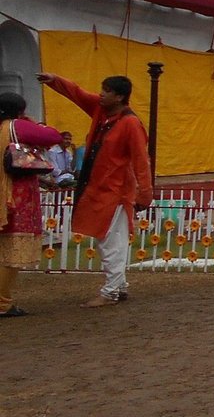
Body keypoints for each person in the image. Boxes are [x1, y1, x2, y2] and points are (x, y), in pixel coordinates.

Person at [37, 73, 154, 308]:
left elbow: (142, 161)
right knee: (110, 240)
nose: (101, 94)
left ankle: (111, 291)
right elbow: (78, 94)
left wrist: (145, 193)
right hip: (99, 188)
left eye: (106, 91)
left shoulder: (130, 123)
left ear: (120, 97)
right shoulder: (101, 111)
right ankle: (118, 287)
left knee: (110, 242)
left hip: (116, 191)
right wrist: (55, 80)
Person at [0, 92, 65, 318]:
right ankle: (2, 302)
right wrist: (29, 121)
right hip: (14, 196)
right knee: (12, 250)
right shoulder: (16, 126)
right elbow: (53, 136)